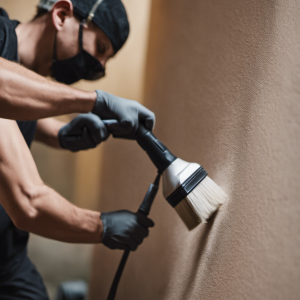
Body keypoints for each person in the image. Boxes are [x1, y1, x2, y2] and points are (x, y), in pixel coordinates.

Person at [0, 1, 155, 299]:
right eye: (99, 48)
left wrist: (60, 134)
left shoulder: (29, 81)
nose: (99, 67)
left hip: (8, 256)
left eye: (106, 62)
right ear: (61, 15)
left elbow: (10, 124)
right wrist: (103, 226)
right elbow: (29, 203)